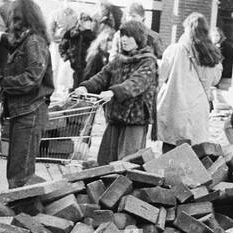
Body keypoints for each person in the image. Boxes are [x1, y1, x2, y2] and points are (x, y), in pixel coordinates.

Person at [74, 20, 158, 162]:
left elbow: (135, 84)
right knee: (106, 160)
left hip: (134, 120)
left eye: (129, 36)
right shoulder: (119, 60)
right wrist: (85, 86)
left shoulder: (148, 62)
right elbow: (102, 76)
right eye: (123, 35)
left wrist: (113, 92)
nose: (124, 39)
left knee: (128, 162)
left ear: (139, 38)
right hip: (115, 117)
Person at [0, 0, 53, 190]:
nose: (10, 23)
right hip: (26, 111)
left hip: (30, 112)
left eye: (13, 18)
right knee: (18, 171)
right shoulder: (28, 40)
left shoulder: (34, 42)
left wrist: (4, 84)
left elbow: (32, 78)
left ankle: (26, 215)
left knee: (20, 176)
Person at [156, 12, 223, 149]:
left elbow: (160, 76)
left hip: (175, 109)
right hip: (198, 111)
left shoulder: (174, 50)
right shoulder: (212, 55)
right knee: (193, 153)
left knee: (170, 154)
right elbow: (216, 80)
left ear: (187, 30)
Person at [59, 10, 97, 90]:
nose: (89, 24)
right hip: (72, 65)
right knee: (71, 86)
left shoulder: (91, 36)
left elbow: (94, 50)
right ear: (81, 22)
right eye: (87, 21)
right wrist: (66, 58)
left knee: (82, 86)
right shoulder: (71, 33)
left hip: (85, 66)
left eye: (90, 21)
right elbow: (62, 46)